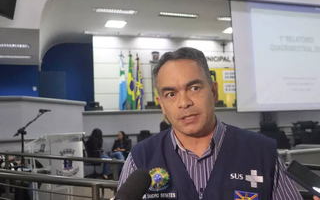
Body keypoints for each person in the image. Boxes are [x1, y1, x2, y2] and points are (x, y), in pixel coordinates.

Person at [118, 47, 309, 199]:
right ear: (162, 105)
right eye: (171, 94)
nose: (184, 103)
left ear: (214, 91)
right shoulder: (140, 159)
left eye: (194, 88)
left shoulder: (262, 153)